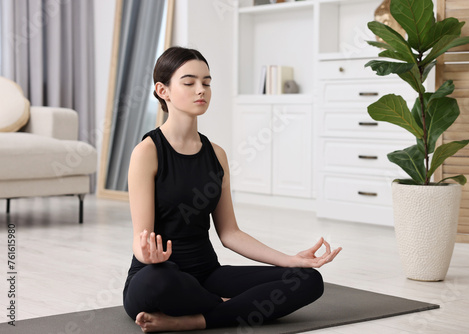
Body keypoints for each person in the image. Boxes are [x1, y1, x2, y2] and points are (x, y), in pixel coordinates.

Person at [122, 46, 342, 333]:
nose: (201, 90)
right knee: (160, 281)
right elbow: (141, 238)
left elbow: (230, 234)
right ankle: (227, 306)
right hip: (160, 276)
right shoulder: (147, 152)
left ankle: (198, 318)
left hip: (208, 274)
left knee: (308, 280)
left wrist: (291, 260)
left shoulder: (216, 154)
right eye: (189, 83)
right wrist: (146, 255)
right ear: (163, 90)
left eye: (207, 82)